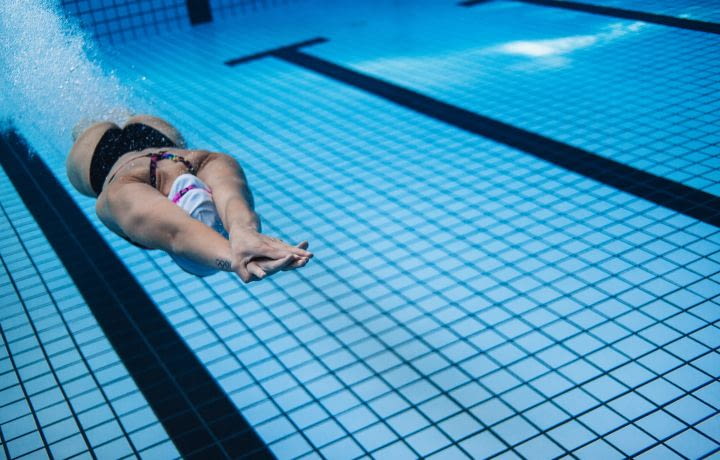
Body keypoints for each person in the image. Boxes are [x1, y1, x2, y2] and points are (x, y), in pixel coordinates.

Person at [66, 114, 312, 282]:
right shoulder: (208, 163)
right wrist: (243, 231)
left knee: (85, 125)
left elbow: (178, 234)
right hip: (157, 136)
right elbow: (233, 201)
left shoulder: (124, 202)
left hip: (98, 158)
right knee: (113, 116)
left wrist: (234, 260)